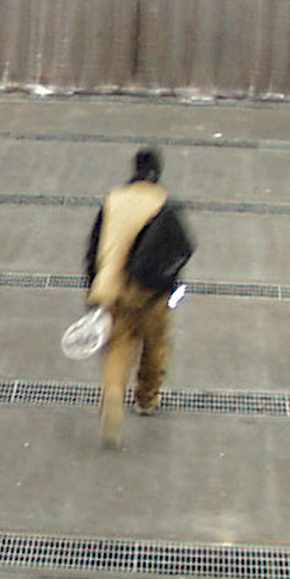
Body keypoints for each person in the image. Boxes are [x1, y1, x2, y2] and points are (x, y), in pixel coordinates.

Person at [84, 147, 194, 448]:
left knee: (118, 348)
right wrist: (170, 286)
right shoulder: (164, 204)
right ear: (157, 173)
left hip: (112, 291)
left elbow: (93, 250)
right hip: (150, 294)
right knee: (155, 345)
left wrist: (92, 290)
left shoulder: (112, 200)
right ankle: (146, 398)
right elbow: (182, 249)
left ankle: (113, 401)